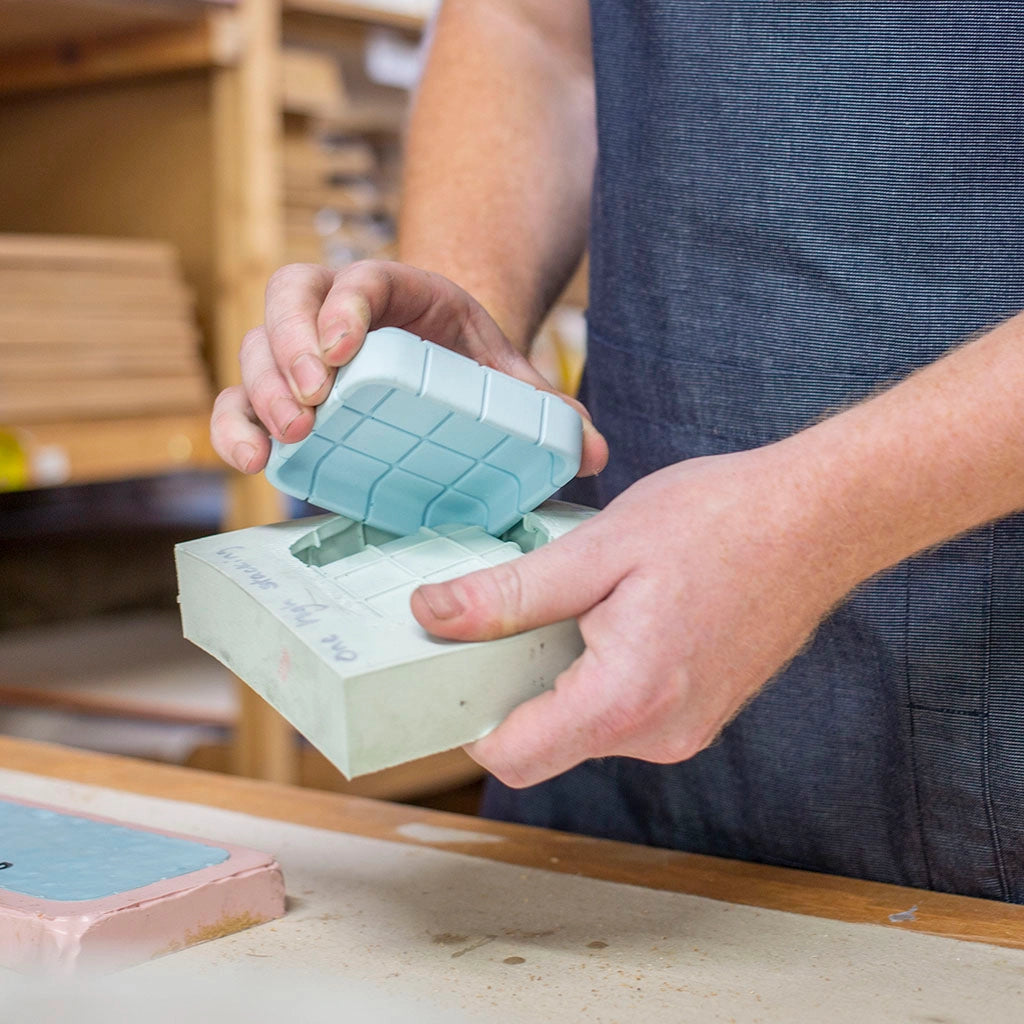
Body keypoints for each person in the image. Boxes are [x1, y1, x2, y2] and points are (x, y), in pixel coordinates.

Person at [211, 3, 1024, 903]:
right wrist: (450, 367)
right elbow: (527, 29)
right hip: (613, 640)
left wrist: (818, 517)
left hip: (984, 701)